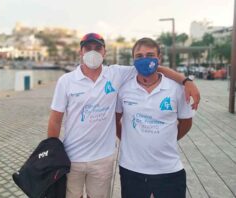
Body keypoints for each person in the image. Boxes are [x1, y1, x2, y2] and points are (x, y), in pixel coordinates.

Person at [47, 33, 199, 198]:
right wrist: (52, 155)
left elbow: (153, 67)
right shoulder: (66, 81)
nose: (93, 52)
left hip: (102, 159)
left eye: (98, 48)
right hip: (71, 157)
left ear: (104, 52)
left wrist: (186, 81)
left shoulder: (116, 74)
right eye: (88, 48)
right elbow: (55, 120)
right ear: (80, 52)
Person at [116, 37, 193, 198]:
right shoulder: (124, 89)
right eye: (139, 56)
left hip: (169, 169)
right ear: (133, 60)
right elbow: (116, 120)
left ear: (159, 58)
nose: (144, 59)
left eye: (150, 54)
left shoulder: (177, 89)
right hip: (131, 169)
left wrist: (169, 138)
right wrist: (132, 140)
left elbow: (186, 121)